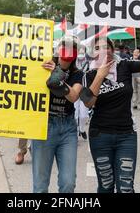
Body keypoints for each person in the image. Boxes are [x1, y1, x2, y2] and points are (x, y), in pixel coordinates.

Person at [80, 25, 140, 193]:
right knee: (106, 186)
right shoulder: (88, 75)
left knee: (126, 187)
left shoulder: (125, 65)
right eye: (98, 48)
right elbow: (89, 102)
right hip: (100, 135)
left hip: (126, 136)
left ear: (112, 49)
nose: (104, 50)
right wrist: (100, 75)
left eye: (107, 46)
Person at [32, 36, 83, 193]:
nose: (67, 51)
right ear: (57, 49)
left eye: (71, 48)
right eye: (64, 46)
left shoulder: (77, 73)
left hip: (67, 128)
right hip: (43, 126)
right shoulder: (41, 64)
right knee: (40, 186)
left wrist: (57, 73)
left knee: (68, 183)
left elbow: (73, 96)